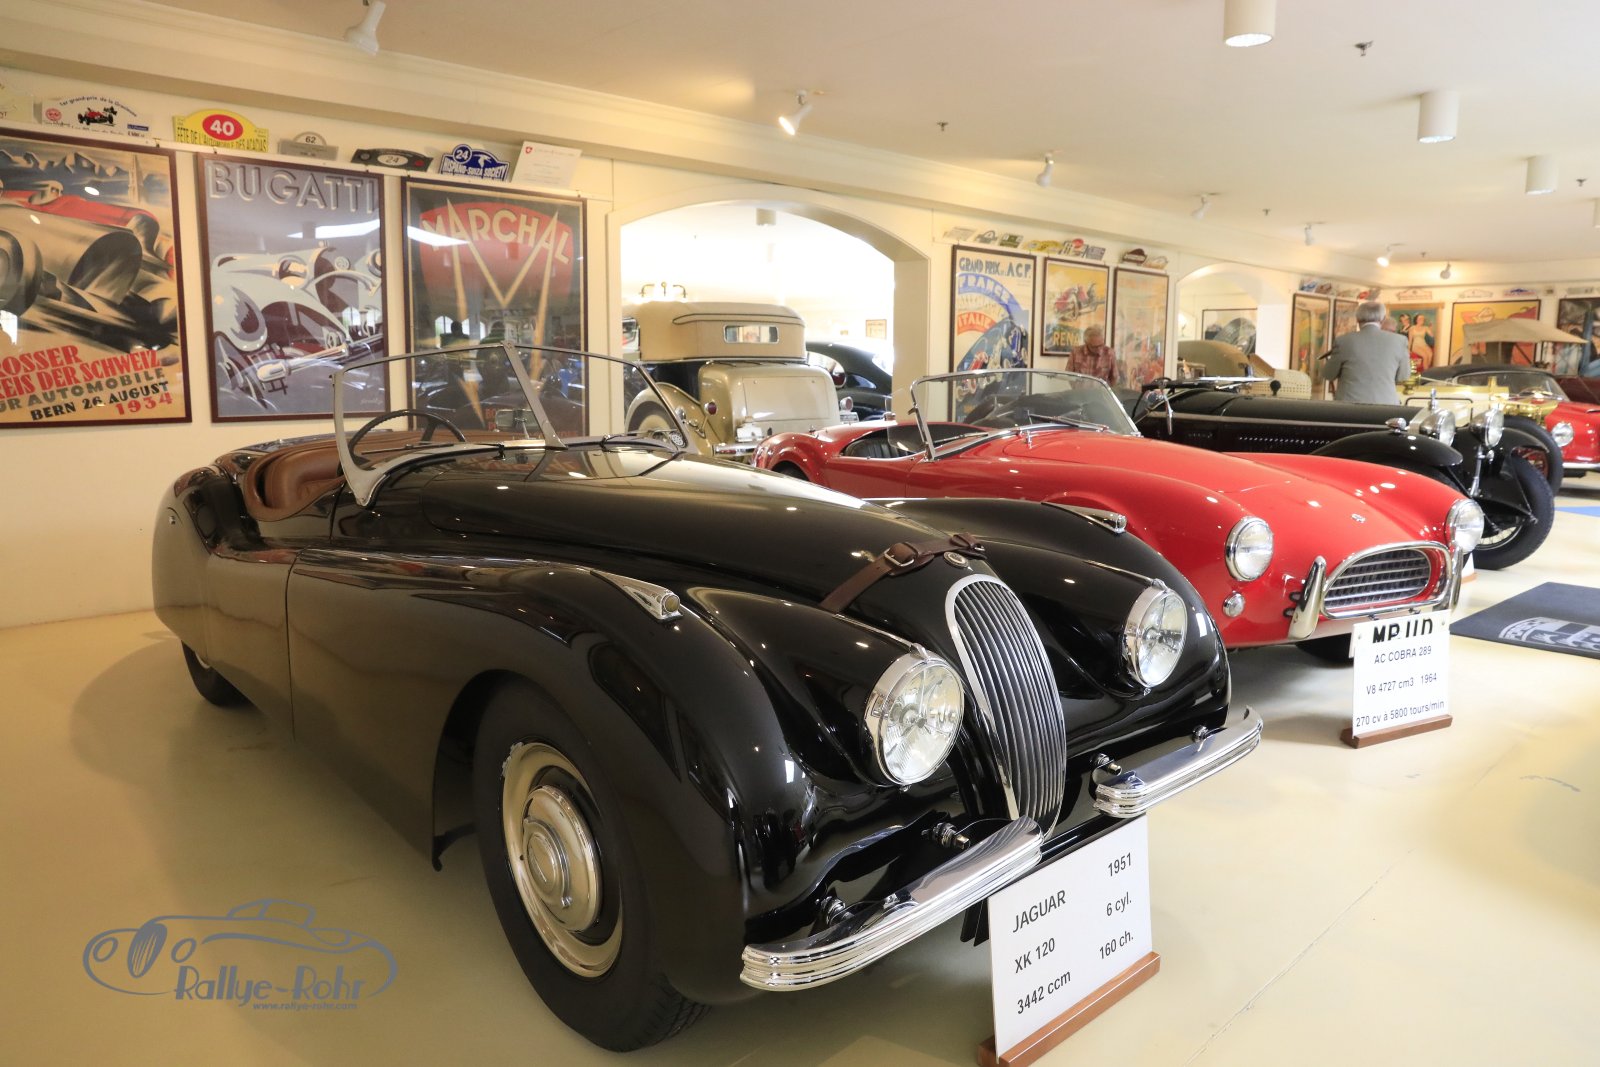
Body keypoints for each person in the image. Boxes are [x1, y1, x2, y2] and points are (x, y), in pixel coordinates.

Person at [1321, 300, 1411, 403]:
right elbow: (1403, 376)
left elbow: (1328, 374)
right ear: (1382, 319)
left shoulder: (1343, 341)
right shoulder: (1399, 341)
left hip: (1349, 406)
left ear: (1357, 319)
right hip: (1386, 404)